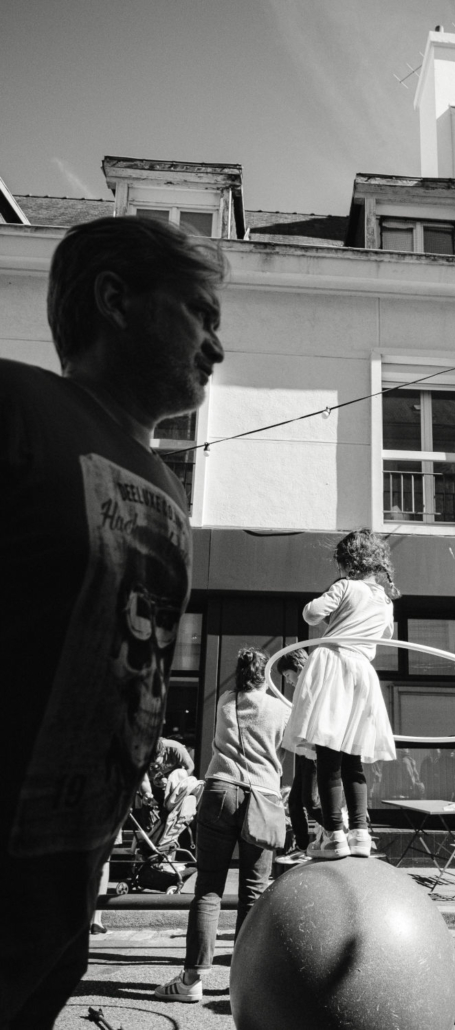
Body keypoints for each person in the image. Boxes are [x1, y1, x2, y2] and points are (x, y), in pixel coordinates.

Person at [0, 215, 225, 1028]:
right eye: (200, 312)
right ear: (115, 299)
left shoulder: (167, 484)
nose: (216, 345)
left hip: (57, 913)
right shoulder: (16, 406)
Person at [155, 647, 289, 1003]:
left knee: (208, 888)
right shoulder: (282, 709)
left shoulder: (226, 700)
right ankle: (244, 983)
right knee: (254, 892)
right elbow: (293, 744)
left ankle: (191, 980)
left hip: (220, 791)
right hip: (263, 797)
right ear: (267, 676)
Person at [282, 529, 399, 859]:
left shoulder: (345, 586)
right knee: (353, 759)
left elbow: (311, 613)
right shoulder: (385, 601)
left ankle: (334, 836)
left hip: (334, 664)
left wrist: (335, 611)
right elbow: (386, 634)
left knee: (328, 758)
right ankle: (360, 834)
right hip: (362, 672)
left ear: (348, 562)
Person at [276, 648, 325, 862]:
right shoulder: (304, 686)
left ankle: (340, 831)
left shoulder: (313, 682)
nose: (288, 681)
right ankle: (303, 845)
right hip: (305, 750)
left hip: (314, 749)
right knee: (295, 802)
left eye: (288, 675)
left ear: (297, 667)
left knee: (310, 802)